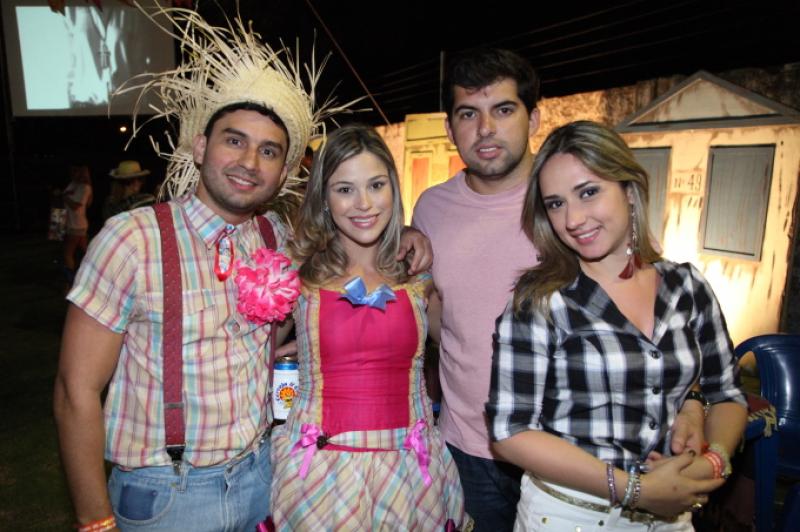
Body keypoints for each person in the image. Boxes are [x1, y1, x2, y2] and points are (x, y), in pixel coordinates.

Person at [53, 10, 430, 532]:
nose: (250, 161)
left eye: (268, 151)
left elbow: (351, 243)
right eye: (234, 140)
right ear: (200, 146)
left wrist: (407, 234)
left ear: (283, 170)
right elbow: (74, 390)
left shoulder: (278, 236)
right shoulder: (132, 239)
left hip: (265, 476)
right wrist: (95, 520)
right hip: (169, 495)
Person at [412, 48, 707, 531]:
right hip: (469, 447)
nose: (485, 128)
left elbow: (652, 312)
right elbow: (438, 312)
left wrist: (690, 399)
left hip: (580, 461)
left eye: (503, 109)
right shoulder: (431, 208)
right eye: (468, 113)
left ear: (533, 118)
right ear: (449, 128)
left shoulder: (573, 201)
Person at [486, 121, 748, 531]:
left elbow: (726, 392)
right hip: (570, 516)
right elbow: (510, 431)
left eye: (588, 192)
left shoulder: (687, 286)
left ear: (628, 190)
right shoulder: (540, 301)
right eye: (555, 203)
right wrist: (633, 490)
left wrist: (714, 459)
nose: (573, 219)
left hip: (672, 515)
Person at [269, 124, 467, 530]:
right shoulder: (298, 274)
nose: (363, 204)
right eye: (345, 189)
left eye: (376, 185)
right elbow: (252, 354)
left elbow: (462, 347)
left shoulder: (417, 275)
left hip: (409, 477)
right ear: (324, 198)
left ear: (393, 187)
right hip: (320, 477)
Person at [62, 163, 93, 284]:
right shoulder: (73, 184)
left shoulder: (85, 187)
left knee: (68, 254)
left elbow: (77, 206)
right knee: (86, 252)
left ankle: (70, 281)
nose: (72, 174)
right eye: (72, 171)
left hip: (77, 225)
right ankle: (90, 275)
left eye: (75, 171)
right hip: (73, 223)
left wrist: (65, 198)